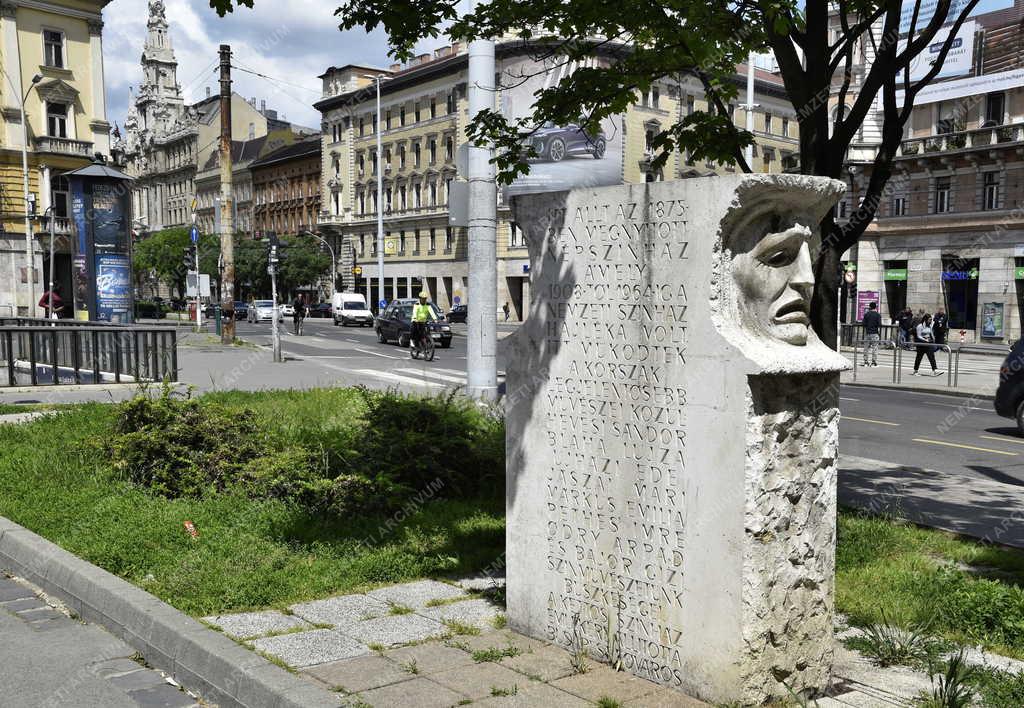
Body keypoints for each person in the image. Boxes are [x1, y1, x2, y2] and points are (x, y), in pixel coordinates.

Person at [862, 302, 881, 367]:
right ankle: (873, 362)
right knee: (875, 348)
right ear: (875, 307)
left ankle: (866, 362)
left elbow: (863, 324)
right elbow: (879, 324)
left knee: (866, 348)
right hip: (875, 333)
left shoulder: (866, 314)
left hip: (868, 333)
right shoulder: (878, 315)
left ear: (870, 307)